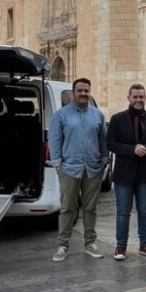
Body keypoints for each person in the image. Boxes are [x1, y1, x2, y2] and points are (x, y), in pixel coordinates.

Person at [48, 77, 108, 262]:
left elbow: (103, 139)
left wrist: (104, 159)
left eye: (86, 91)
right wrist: (57, 163)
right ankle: (62, 245)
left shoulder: (97, 115)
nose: (83, 94)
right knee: (67, 208)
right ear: (73, 93)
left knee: (90, 208)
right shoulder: (62, 115)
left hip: (92, 168)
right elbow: (54, 139)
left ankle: (90, 243)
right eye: (80, 90)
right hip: (69, 168)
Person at [107, 83, 146, 261]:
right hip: (124, 174)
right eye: (135, 97)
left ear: (145, 98)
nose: (139, 100)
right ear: (129, 98)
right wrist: (132, 149)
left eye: (141, 97)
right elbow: (111, 144)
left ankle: (145, 245)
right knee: (123, 211)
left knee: (145, 211)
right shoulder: (117, 119)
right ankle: (121, 246)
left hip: (145, 174)